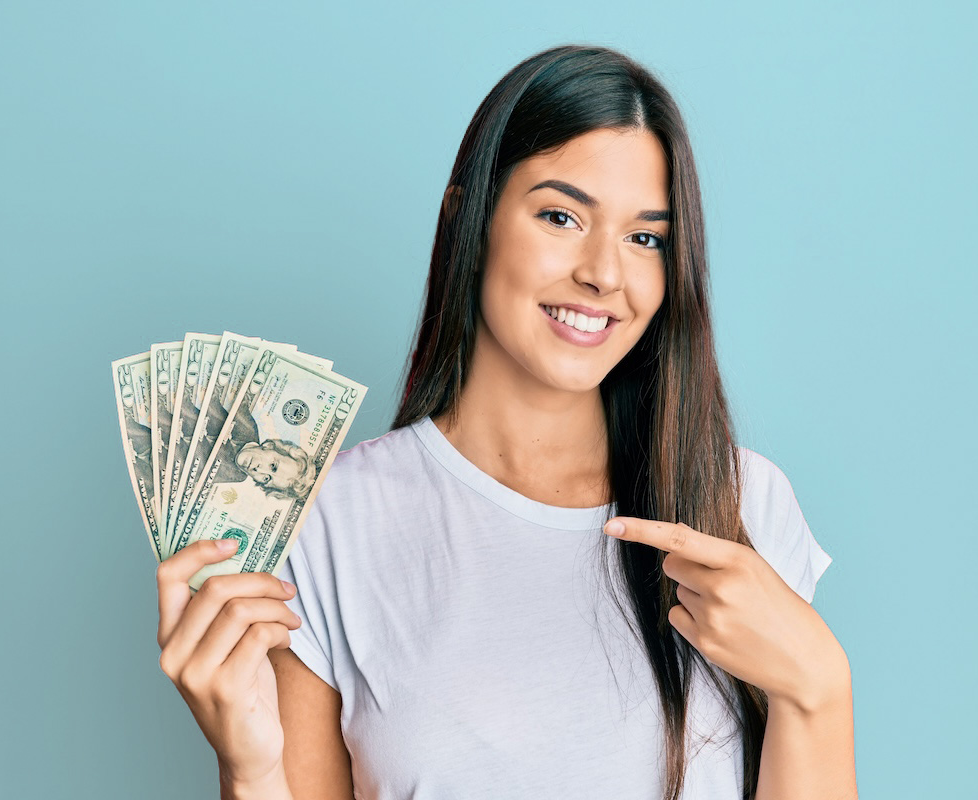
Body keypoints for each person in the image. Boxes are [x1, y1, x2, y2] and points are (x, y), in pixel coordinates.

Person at [154, 44, 856, 800]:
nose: (605, 273)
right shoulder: (329, 523)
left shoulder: (741, 505)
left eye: (645, 237)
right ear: (469, 218)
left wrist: (819, 686)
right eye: (561, 216)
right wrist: (250, 768)